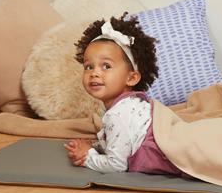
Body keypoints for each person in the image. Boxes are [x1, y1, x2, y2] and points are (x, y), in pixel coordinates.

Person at [65, 14, 182, 175]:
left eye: (106, 66)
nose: (94, 73)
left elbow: (117, 164)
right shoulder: (132, 103)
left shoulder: (118, 114)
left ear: (131, 78)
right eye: (89, 67)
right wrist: (96, 147)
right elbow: (126, 140)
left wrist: (87, 156)